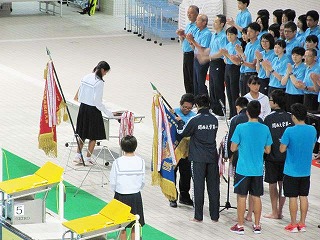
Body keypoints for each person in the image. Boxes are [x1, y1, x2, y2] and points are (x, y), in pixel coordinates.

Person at [230, 100, 272, 235]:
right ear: (259, 112)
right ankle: (257, 225)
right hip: (258, 169)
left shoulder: (240, 127)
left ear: (247, 112)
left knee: (241, 197)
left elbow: (233, 147)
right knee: (256, 197)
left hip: (243, 169)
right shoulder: (265, 128)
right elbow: (268, 150)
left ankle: (241, 225)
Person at [177, 94, 220, 222]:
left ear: (197, 105)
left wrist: (180, 122)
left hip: (198, 158)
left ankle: (198, 216)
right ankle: (215, 216)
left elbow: (182, 133)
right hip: (212, 157)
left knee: (198, 187)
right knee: (213, 187)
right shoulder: (214, 120)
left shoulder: (195, 119)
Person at [280, 103, 317, 233]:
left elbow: (282, 149)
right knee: (303, 196)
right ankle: (302, 223)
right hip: (305, 170)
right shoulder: (312, 130)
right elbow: (312, 147)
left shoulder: (289, 131)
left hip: (291, 170)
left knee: (292, 197)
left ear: (294, 116)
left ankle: (293, 223)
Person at [74, 61, 114, 165]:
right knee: (93, 136)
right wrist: (107, 112)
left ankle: (77, 156)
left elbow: (80, 93)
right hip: (93, 111)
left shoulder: (86, 77)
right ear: (103, 70)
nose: (105, 74)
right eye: (106, 72)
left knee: (82, 134)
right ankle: (88, 158)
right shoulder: (99, 82)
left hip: (83, 108)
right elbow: (97, 102)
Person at [263, 90, 293, 219]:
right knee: (283, 184)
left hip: (272, 157)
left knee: (272, 184)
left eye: (270, 100)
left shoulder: (268, 118)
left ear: (274, 102)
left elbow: (265, 138)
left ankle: (274, 211)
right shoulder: (290, 117)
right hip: (287, 157)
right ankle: (280, 211)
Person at [109, 135, 145, 240]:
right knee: (135, 224)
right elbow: (143, 181)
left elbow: (113, 181)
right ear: (135, 146)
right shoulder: (141, 161)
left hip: (121, 196)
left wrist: (117, 191)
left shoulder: (117, 162)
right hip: (135, 196)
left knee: (121, 226)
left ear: (122, 147)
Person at [169, 93, 196, 208]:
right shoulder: (172, 113)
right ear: (180, 104)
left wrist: (182, 122)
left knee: (186, 174)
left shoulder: (193, 116)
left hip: (186, 150)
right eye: (184, 107)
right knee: (173, 173)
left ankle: (184, 196)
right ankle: (172, 196)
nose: (186, 110)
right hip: (173, 149)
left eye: (189, 108)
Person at [207, 14, 228, 117]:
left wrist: (209, 57)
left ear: (222, 24)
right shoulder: (214, 35)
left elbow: (222, 52)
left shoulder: (223, 36)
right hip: (212, 61)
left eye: (216, 22)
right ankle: (214, 107)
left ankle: (220, 111)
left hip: (218, 62)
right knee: (212, 85)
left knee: (218, 86)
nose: (214, 24)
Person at [186, 14, 212, 96]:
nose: (196, 22)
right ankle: (197, 100)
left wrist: (192, 40)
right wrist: (190, 40)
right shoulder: (197, 31)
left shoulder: (207, 34)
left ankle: (204, 100)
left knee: (200, 82)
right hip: (196, 58)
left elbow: (203, 49)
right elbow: (194, 47)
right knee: (195, 81)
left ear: (204, 22)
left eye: (198, 20)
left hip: (202, 59)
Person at [176, 5, 199, 94]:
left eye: (191, 13)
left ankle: (194, 97)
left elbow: (193, 41)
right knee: (186, 78)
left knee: (192, 77)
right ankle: (188, 96)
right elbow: (184, 39)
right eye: (188, 13)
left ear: (197, 14)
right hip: (185, 53)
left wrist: (184, 35)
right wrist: (181, 35)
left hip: (192, 54)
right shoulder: (188, 25)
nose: (189, 15)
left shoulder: (197, 27)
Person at [235, 22, 261, 96]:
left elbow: (253, 65)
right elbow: (245, 59)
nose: (248, 33)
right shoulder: (248, 44)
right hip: (244, 73)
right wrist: (240, 53)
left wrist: (241, 62)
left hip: (252, 75)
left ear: (257, 33)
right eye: (247, 31)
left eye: (251, 31)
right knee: (243, 97)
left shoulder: (258, 46)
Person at [221, 26, 242, 118]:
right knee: (228, 90)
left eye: (231, 34)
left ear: (236, 35)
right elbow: (225, 60)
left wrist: (227, 55)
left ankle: (236, 113)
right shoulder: (228, 45)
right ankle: (231, 113)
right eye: (228, 35)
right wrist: (227, 56)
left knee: (234, 91)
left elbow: (236, 61)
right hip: (227, 67)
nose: (229, 36)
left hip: (234, 68)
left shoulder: (238, 45)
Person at [281, 47, 306, 111]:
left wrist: (291, 73)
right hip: (287, 94)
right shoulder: (290, 67)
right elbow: (283, 83)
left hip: (298, 96)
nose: (294, 57)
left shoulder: (304, 68)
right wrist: (288, 73)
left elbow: (297, 84)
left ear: (303, 56)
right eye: (293, 55)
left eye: (297, 55)